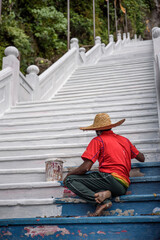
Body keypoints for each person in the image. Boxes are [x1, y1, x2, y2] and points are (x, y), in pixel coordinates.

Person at [63, 113, 145, 216]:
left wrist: (69, 174)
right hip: (123, 186)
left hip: (110, 178)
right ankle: (107, 194)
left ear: (97, 130)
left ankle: (103, 202)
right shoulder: (124, 140)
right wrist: (131, 147)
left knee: (70, 180)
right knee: (97, 182)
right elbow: (142, 158)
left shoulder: (98, 140)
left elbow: (86, 168)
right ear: (110, 127)